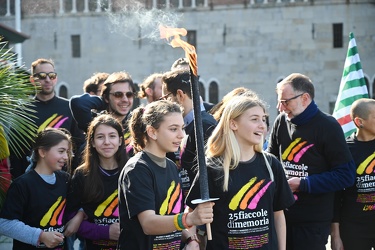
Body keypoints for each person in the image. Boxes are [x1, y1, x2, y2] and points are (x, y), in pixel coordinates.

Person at [185, 96, 295, 249]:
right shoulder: (213, 167)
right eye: (254, 119)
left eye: (263, 119)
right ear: (233, 123)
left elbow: (278, 215)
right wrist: (192, 241)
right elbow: (191, 213)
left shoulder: (271, 164)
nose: (262, 125)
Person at [267, 73, 356, 250]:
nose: (280, 107)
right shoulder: (280, 122)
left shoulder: (328, 126)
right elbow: (272, 161)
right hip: (281, 216)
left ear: (305, 98)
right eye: (279, 102)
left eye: (285, 102)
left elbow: (346, 175)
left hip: (312, 222)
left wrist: (303, 183)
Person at [117, 100, 214, 249]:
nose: (181, 135)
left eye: (182, 128)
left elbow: (171, 217)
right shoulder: (137, 169)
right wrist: (190, 218)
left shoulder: (171, 166)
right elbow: (149, 224)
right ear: (152, 132)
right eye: (173, 129)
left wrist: (189, 238)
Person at [9, 58, 84, 179]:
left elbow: (79, 145)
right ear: (33, 80)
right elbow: (15, 151)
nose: (47, 80)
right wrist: (18, 180)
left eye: (52, 75)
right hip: (30, 179)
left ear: (56, 78)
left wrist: (74, 176)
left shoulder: (69, 107)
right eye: (42, 76)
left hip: (65, 179)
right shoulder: (22, 111)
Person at [0, 128, 72, 249]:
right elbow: (5, 223)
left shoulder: (65, 179)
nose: (66, 157)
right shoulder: (22, 184)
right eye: (61, 151)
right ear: (42, 152)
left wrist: (78, 216)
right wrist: (41, 236)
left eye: (68, 152)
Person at [65, 114, 128, 249]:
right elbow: (70, 218)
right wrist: (105, 231)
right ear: (92, 142)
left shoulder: (133, 172)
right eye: (100, 137)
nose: (106, 142)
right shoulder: (82, 174)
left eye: (112, 136)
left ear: (120, 140)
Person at [161, 69, 217, 196]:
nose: (164, 104)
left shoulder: (204, 125)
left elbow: (212, 174)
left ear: (180, 95)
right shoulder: (187, 125)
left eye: (166, 98)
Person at [331, 98, 375, 250]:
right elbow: (336, 196)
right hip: (353, 229)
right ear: (359, 121)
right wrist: (336, 236)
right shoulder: (345, 150)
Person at [70, 71, 136, 147]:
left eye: (129, 94)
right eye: (118, 95)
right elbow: (78, 102)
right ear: (106, 97)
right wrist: (106, 102)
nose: (125, 100)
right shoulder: (96, 123)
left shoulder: (137, 123)